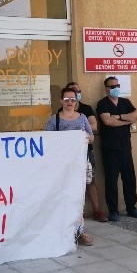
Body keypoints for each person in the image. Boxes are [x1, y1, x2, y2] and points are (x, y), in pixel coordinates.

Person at [45, 87, 96, 246]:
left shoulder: (82, 118)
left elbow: (92, 138)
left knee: (78, 198)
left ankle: (79, 230)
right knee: (62, 197)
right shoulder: (54, 120)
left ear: (77, 100)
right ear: (61, 101)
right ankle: (61, 230)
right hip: (61, 166)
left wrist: (83, 137)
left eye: (72, 99)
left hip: (79, 164)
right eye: (66, 99)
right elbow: (47, 140)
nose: (69, 102)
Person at [59, 82, 108, 222]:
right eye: (68, 96)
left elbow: (94, 127)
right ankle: (69, 214)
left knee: (90, 180)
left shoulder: (85, 110)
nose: (70, 100)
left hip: (85, 152)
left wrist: (79, 134)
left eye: (77, 92)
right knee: (68, 182)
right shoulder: (58, 114)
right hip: (65, 155)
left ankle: (97, 210)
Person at [96, 76, 137, 221]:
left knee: (129, 178)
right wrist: (126, 121)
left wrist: (119, 116)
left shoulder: (125, 102)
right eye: (112, 86)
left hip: (125, 147)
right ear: (106, 89)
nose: (115, 89)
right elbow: (107, 121)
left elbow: (136, 115)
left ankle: (131, 208)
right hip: (110, 148)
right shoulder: (102, 104)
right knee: (111, 180)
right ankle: (113, 211)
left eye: (117, 86)